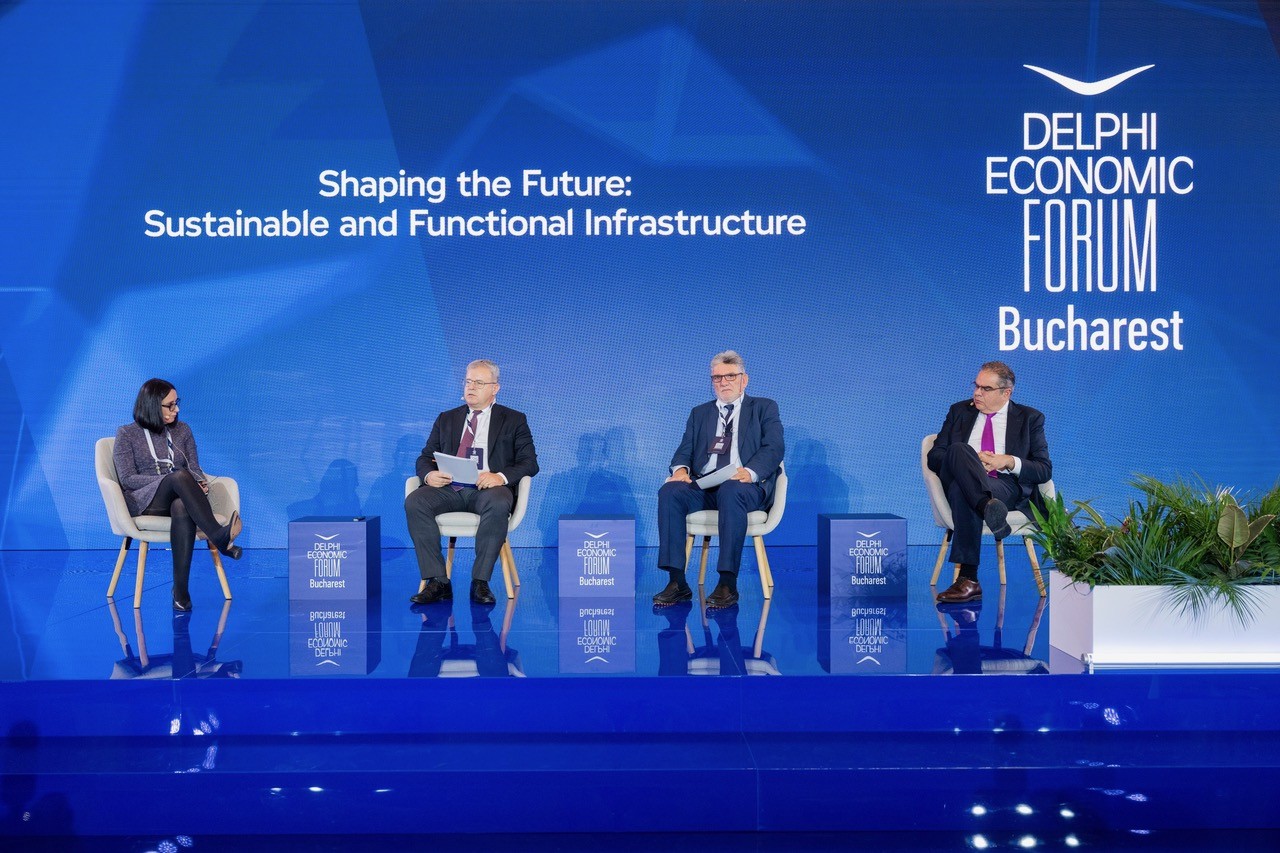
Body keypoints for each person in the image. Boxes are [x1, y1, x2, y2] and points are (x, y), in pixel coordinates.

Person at [654, 351, 784, 609]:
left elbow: (774, 447)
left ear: (744, 379)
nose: (723, 382)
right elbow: (684, 450)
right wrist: (680, 470)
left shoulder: (764, 407)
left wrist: (750, 472)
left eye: (730, 376)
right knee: (669, 492)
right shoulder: (700, 413)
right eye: (717, 378)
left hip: (745, 487)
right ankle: (677, 582)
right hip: (706, 486)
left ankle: (727, 583)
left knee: (731, 490)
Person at [404, 359, 539, 606]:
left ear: (495, 388)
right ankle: (438, 581)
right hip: (449, 488)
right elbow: (425, 457)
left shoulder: (514, 420)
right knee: (416, 501)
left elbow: (529, 463)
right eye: (468, 381)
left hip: (488, 491)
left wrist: (499, 477)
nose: (471, 387)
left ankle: (480, 582)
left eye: (479, 382)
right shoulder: (446, 418)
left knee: (499, 502)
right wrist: (429, 475)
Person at [927, 361, 1052, 603]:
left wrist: (1009, 461)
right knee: (959, 451)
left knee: (963, 490)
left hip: (1003, 486)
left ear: (1006, 393)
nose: (977, 393)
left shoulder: (1030, 418)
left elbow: (1043, 470)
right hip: (961, 478)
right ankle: (987, 506)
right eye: (976, 386)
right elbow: (935, 456)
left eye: (986, 388)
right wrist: (969, 461)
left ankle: (969, 579)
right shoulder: (959, 411)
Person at [113, 379, 242, 612]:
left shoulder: (183, 430)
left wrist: (199, 483)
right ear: (152, 405)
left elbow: (195, 467)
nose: (176, 409)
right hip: (146, 500)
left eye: (177, 403)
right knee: (179, 477)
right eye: (170, 405)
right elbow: (127, 479)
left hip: (180, 497)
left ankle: (180, 593)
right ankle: (218, 535)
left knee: (182, 504)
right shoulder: (127, 434)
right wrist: (168, 480)